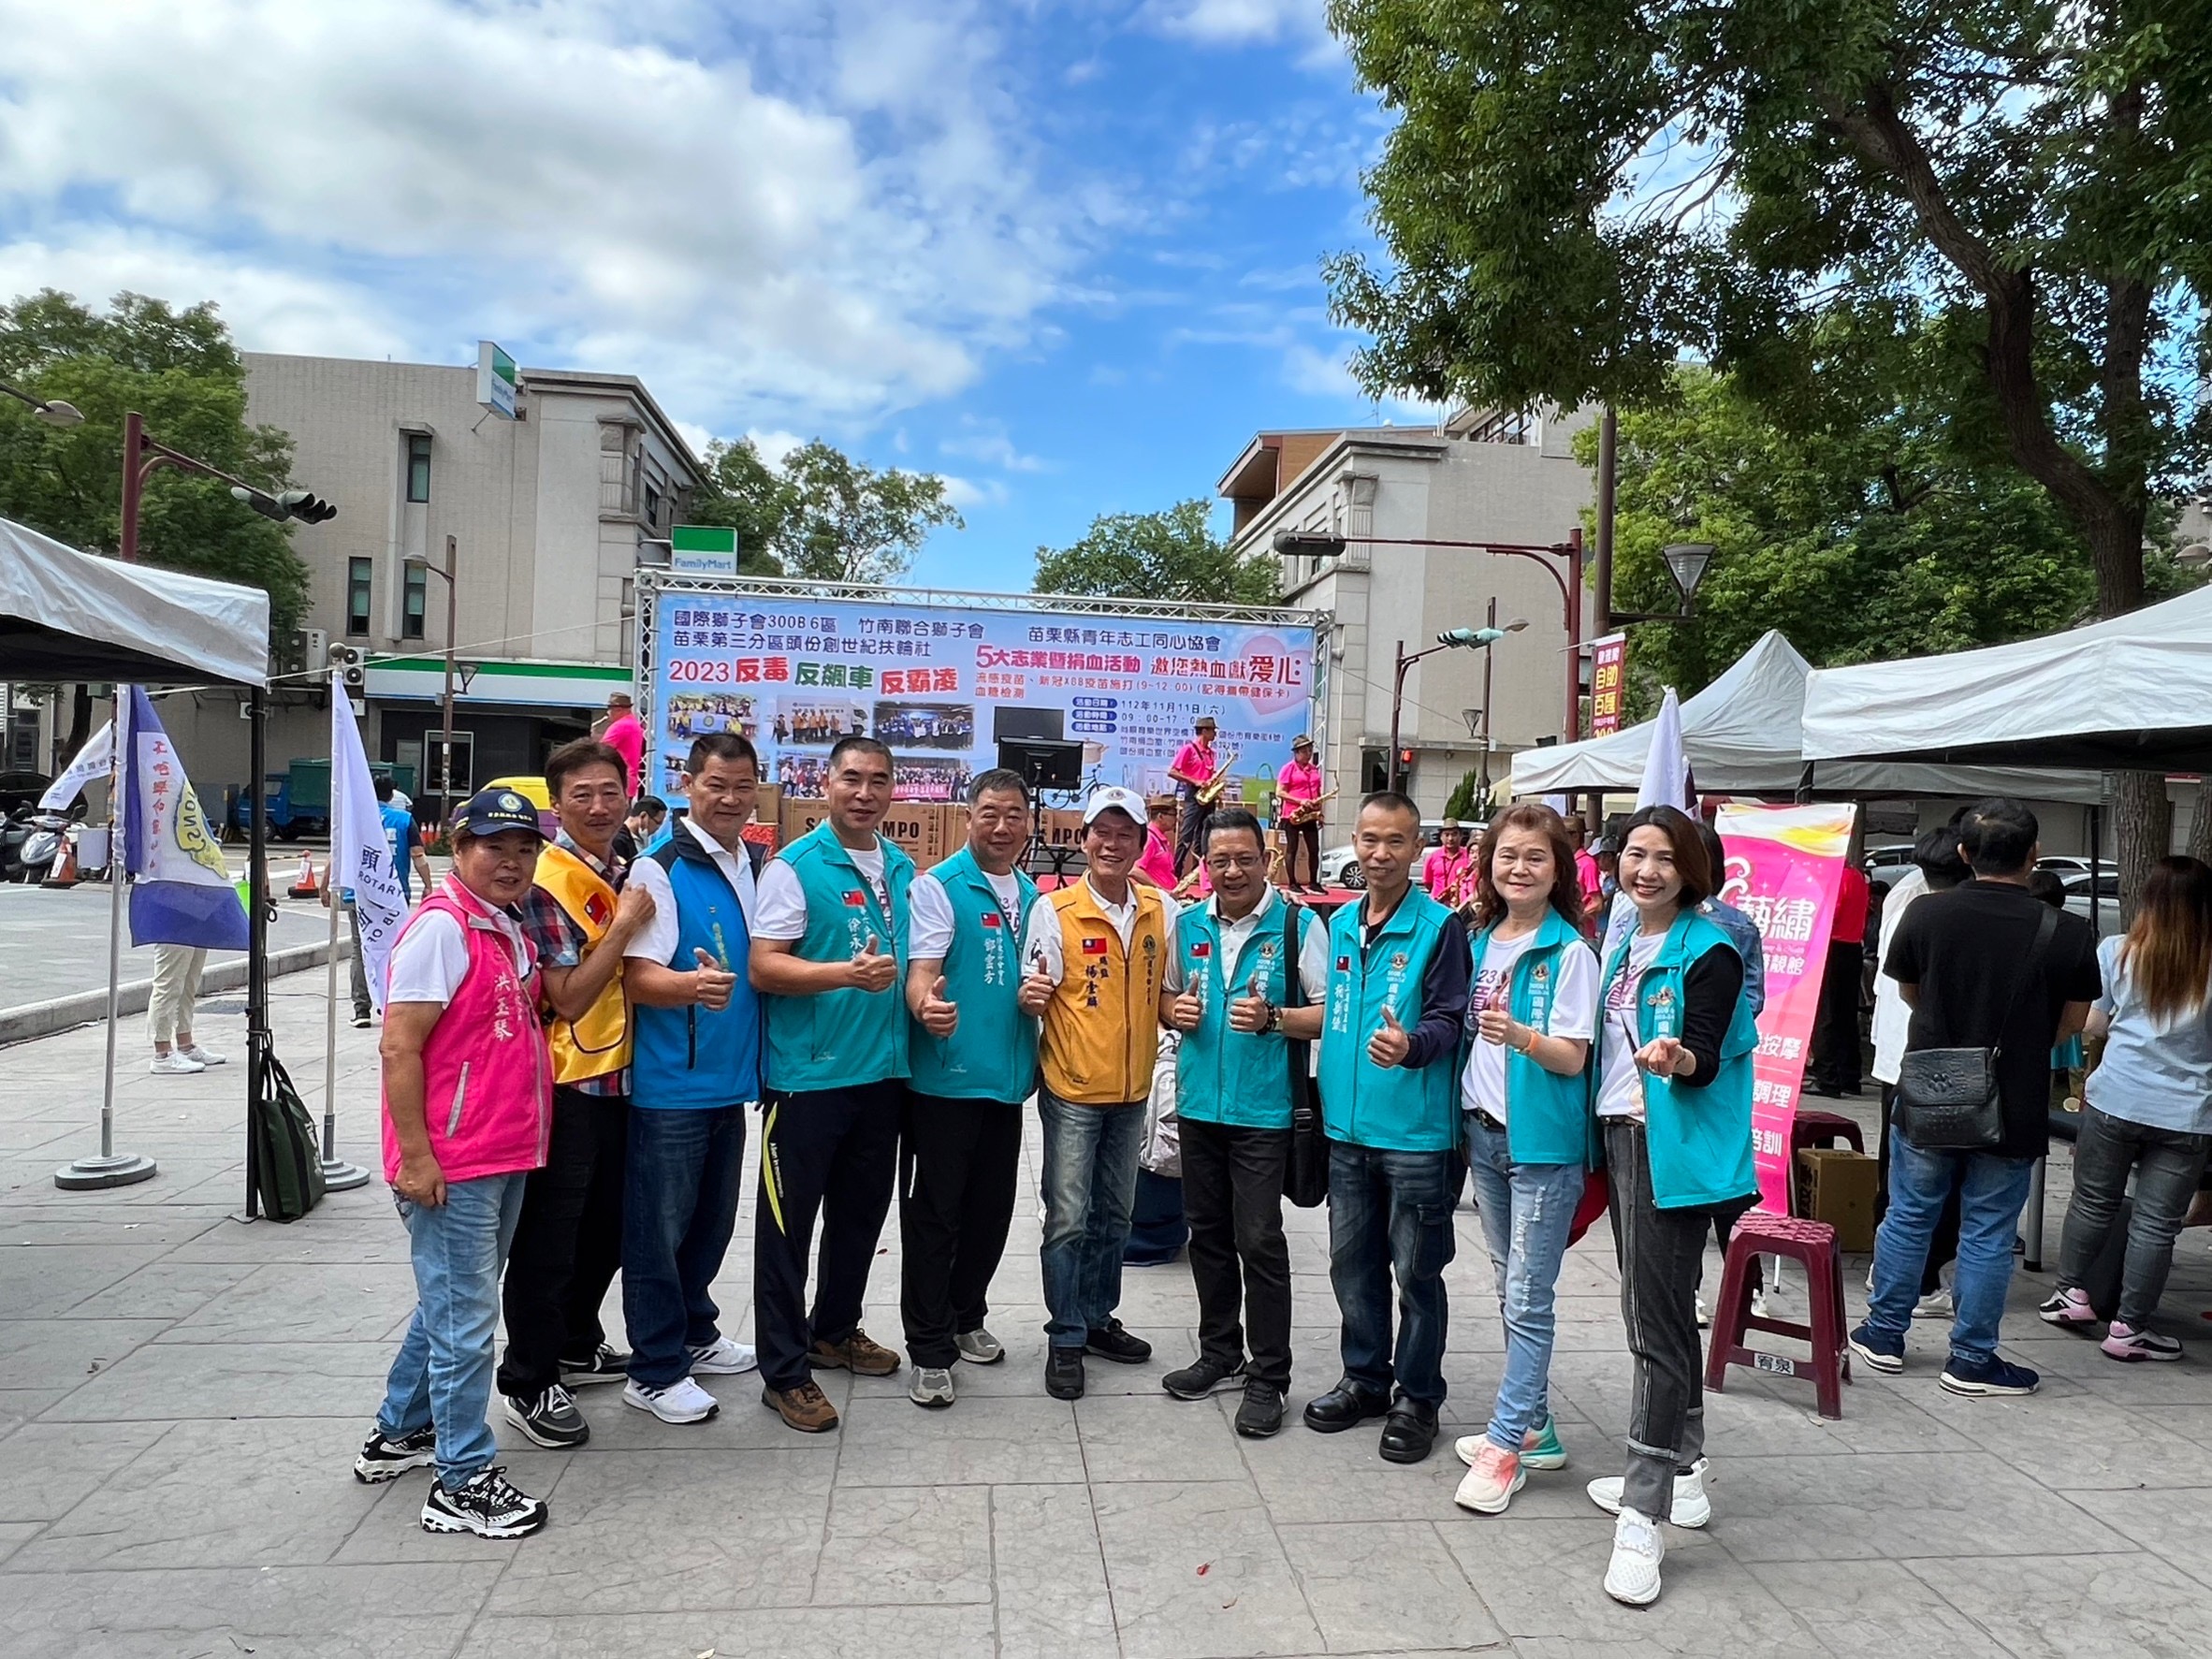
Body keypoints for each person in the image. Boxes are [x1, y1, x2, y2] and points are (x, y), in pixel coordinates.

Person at [352, 788, 553, 1539]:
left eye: (524, 849)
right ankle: (461, 1480)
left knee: (449, 1302)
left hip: (500, 1150)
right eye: (494, 847)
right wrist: (416, 1157)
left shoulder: (500, 925)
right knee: (466, 1319)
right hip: (455, 1160)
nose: (511, 862)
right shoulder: (443, 928)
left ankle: (399, 1431)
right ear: (458, 850)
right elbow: (398, 1045)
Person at [1852, 797, 2099, 1401]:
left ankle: (1883, 1334)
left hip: (1930, 1088)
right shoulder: (2067, 930)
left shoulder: (1926, 913)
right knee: (1989, 1229)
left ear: (1964, 852)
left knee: (1909, 1213)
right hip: (2013, 1097)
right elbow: (2072, 1023)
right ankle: (1971, 1358)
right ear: (2035, 854)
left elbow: (1911, 993)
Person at [1576, 804, 1755, 1607]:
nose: (1645, 870)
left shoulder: (1708, 947)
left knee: (1651, 1327)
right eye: (1634, 854)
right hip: (1622, 1135)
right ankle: (1685, 1471)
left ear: (1691, 870)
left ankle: (1642, 1513)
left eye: (1663, 858)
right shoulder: (1626, 939)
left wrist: (1678, 1056)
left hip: (1666, 1145)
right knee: (1666, 1314)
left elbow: (1707, 1053)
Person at [749, 735, 913, 1433]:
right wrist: (844, 974)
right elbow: (764, 966)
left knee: (860, 1218)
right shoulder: (796, 867)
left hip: (883, 1075)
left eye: (878, 780)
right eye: (852, 778)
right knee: (787, 1231)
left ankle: (835, 1330)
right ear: (827, 784)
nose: (864, 793)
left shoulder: (901, 867)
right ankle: (785, 1372)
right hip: (808, 1079)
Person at [496, 738, 656, 1448]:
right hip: (567, 1085)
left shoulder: (624, 866)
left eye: (609, 792)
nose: (598, 806)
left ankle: (574, 1341)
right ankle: (528, 1379)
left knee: (609, 1226)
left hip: (624, 1077)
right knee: (550, 1239)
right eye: (581, 795)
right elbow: (565, 995)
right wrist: (622, 928)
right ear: (556, 806)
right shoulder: (549, 880)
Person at [1305, 791, 1470, 1466]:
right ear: (1355, 841)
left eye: (1395, 841)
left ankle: (1418, 1397)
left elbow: (1451, 1018)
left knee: (1417, 1272)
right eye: (1369, 839)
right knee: (1353, 1264)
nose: (1380, 854)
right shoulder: (1343, 922)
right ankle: (1365, 1379)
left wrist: (1411, 1046)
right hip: (1347, 1131)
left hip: (1415, 1135)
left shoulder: (1441, 927)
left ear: (1416, 848)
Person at [1157, 806, 1327, 1437]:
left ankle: (1270, 1374)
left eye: (1244, 859)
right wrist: (1174, 1010)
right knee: (1206, 1233)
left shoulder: (1297, 926)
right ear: (1205, 865)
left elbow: (1330, 1012)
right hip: (1200, 1105)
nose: (1232, 871)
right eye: (1219, 860)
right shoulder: (1188, 925)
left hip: (1265, 1110)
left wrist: (1274, 1019)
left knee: (1258, 1239)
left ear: (1267, 860)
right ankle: (1220, 1351)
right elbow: (1166, 995)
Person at [1449, 803, 1598, 1513]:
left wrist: (1520, 1036)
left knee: (1528, 1295)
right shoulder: (1480, 940)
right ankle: (1535, 1426)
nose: (1519, 868)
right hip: (1483, 1135)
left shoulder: (1571, 953)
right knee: (1510, 1283)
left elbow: (1572, 1058)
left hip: (1541, 1144)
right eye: (1507, 855)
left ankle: (1506, 1444)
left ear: (1558, 869)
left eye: (1535, 856)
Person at [617, 733, 764, 1426]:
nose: (729, 799)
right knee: (659, 1232)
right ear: (688, 784)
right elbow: (636, 977)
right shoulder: (660, 868)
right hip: (673, 1085)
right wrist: (690, 987)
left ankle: (696, 1331)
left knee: (709, 1224)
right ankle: (653, 1369)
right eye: (716, 785)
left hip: (728, 1082)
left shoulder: (749, 862)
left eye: (742, 786)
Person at [1021, 784, 1172, 1400]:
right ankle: (1065, 1335)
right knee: (1067, 1217)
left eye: (1124, 834)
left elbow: (1166, 992)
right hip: (1074, 1090)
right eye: (1101, 833)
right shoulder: (1055, 910)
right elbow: (1034, 986)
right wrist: (1030, 996)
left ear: (1141, 843)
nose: (1112, 844)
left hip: (1132, 1091)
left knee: (1115, 1215)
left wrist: (1180, 1010)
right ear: (1084, 840)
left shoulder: (1160, 909)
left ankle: (1097, 1317)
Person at [900, 768, 1041, 1408]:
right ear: (968, 817)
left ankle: (966, 1315)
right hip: (945, 1084)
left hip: (1006, 1085)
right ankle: (930, 1348)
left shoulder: (1034, 895)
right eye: (990, 813)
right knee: (936, 1217)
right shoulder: (940, 887)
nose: (1002, 826)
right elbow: (922, 971)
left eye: (1014, 814)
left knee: (990, 1213)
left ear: (1029, 822)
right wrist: (926, 1006)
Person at [2042, 855, 2212, 1361]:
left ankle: (2071, 1294)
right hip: (2187, 1112)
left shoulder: (2117, 951)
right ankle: (2130, 1327)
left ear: (2149, 899)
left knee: (2093, 1202)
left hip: (2115, 1097)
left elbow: (2093, 1024)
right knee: (2157, 1224)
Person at [1870, 822, 1972, 1313]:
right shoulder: (1946, 918)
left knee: (1896, 1174)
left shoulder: (1903, 904)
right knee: (1934, 1184)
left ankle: (1887, 1266)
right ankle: (1924, 1280)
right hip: (1931, 1061)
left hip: (1894, 1055)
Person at [1809, 857, 1872, 1096]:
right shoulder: (1857, 877)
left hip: (1832, 947)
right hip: (1852, 948)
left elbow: (1829, 914)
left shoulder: (1837, 878)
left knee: (1826, 1015)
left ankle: (1827, 1078)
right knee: (1846, 1015)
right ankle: (1850, 1076)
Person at [148, 942, 225, 1074]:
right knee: (168, 984)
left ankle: (186, 1045)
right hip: (172, 932)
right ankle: (162, 1054)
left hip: (195, 928)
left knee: (189, 984)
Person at [1167, 716, 1222, 876]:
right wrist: (1195, 781)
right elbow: (1173, 772)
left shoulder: (1211, 753)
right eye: (1213, 730)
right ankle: (1176, 872)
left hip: (1208, 795)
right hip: (1194, 794)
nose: (1215, 734)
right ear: (1204, 731)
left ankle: (1199, 873)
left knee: (1205, 834)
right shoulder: (1189, 749)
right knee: (1187, 833)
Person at [1275, 735, 1326, 894]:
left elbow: (1317, 792)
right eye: (1304, 751)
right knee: (1292, 848)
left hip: (1310, 813)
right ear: (1296, 753)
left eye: (1310, 750)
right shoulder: (1288, 769)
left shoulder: (1313, 769)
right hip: (1292, 814)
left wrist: (1320, 812)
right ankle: (1292, 883)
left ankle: (1313, 883)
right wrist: (1300, 801)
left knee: (1314, 848)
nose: (1308, 754)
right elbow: (1280, 792)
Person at [381, 776, 433, 905]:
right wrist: (427, 885)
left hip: (360, 892)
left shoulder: (356, 818)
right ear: (391, 795)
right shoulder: (405, 819)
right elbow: (417, 854)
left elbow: (340, 852)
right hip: (395, 890)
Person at [595, 691, 646, 799]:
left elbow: (599, 752)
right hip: (629, 782)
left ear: (618, 710)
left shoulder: (620, 726)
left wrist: (595, 734)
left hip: (618, 782)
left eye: (610, 709)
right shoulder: (634, 724)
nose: (608, 713)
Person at [1421, 820, 1472, 905]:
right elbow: (1428, 882)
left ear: (1461, 836)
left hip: (1460, 904)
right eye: (1447, 834)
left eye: (1454, 834)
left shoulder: (1468, 856)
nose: (1450, 838)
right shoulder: (1433, 857)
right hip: (1436, 903)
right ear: (1441, 837)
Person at [1137, 796, 1180, 890]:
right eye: (1173, 815)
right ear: (1160, 816)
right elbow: (1135, 870)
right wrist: (1160, 889)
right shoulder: (1149, 839)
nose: (1176, 819)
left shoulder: (1159, 839)